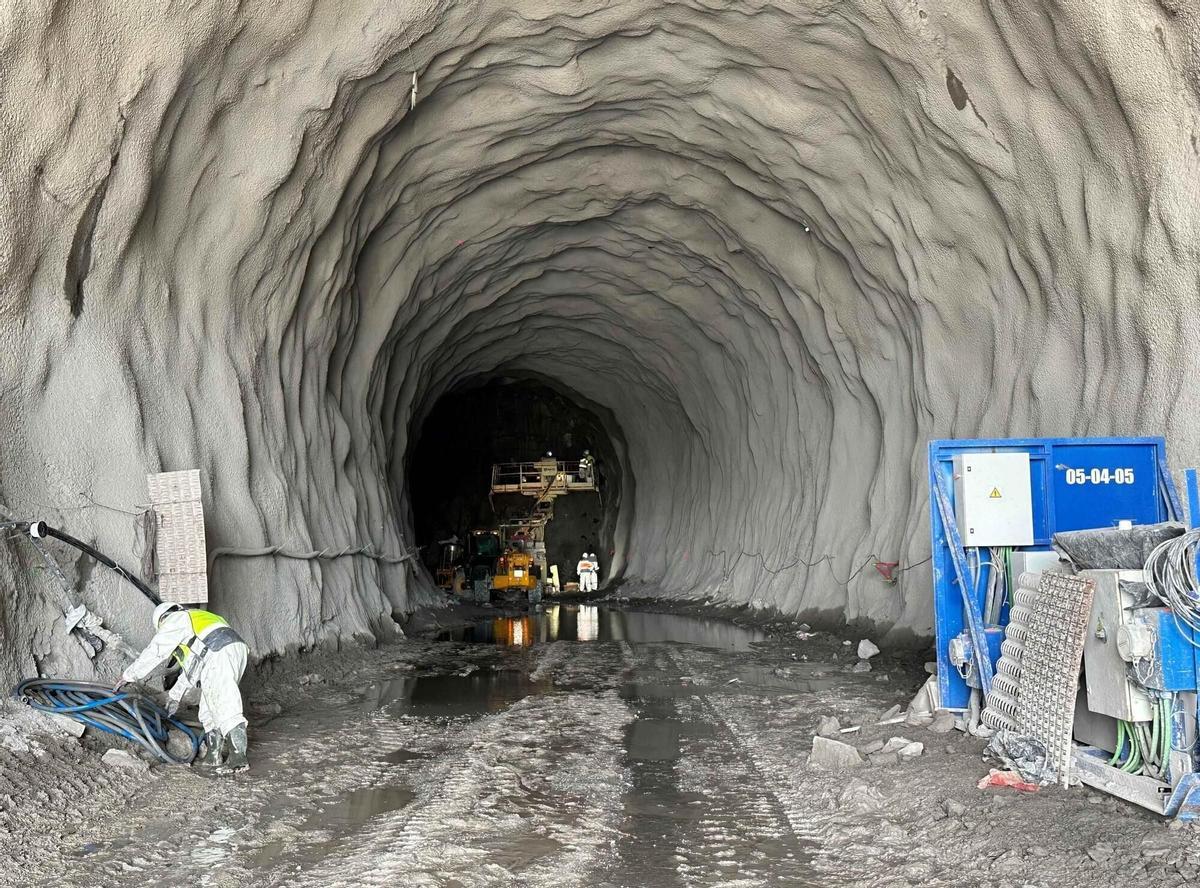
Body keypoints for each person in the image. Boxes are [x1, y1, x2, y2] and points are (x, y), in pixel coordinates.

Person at [116, 602, 250, 774]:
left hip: (218, 653)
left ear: (162, 620)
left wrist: (129, 675)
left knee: (225, 704)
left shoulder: (177, 619)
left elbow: (156, 651)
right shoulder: (198, 624)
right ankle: (213, 757)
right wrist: (175, 696)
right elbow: (192, 670)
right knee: (209, 710)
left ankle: (239, 760)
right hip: (228, 651)